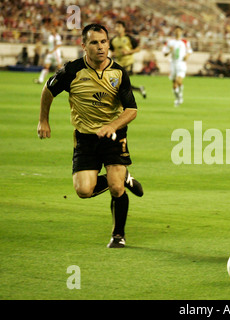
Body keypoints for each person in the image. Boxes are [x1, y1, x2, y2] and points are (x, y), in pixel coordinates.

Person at [37, 23, 144, 248]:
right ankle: (124, 176)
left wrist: (112, 126)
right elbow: (48, 89)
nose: (100, 47)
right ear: (84, 46)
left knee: (116, 188)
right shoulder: (72, 71)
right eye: (94, 43)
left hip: (114, 136)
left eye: (104, 42)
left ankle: (118, 235)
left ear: (108, 44)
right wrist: (43, 120)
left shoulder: (118, 72)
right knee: (84, 190)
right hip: (85, 138)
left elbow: (131, 110)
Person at [110, 20, 147, 98]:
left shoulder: (128, 38)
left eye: (119, 26)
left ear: (123, 28)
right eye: (116, 27)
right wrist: (113, 54)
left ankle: (120, 100)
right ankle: (139, 89)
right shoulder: (113, 40)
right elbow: (112, 51)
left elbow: (138, 49)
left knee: (119, 82)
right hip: (118, 64)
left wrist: (129, 52)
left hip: (128, 63)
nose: (117, 28)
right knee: (121, 84)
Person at [162, 26, 193, 106]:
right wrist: (169, 51)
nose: (177, 32)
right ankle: (177, 98)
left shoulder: (185, 41)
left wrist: (187, 56)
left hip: (181, 63)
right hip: (173, 64)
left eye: (179, 31)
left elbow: (189, 51)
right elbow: (165, 54)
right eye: (176, 31)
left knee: (179, 81)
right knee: (174, 84)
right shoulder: (170, 42)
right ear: (174, 32)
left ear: (181, 32)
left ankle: (180, 95)